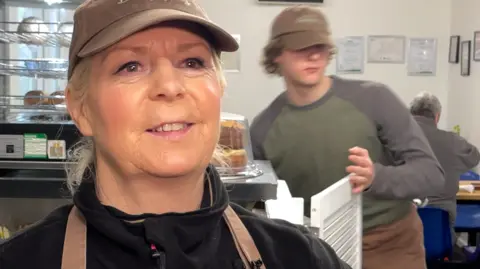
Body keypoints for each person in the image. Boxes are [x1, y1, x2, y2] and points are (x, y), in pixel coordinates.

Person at [0, 1, 353, 269]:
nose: (170, 87)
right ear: (80, 109)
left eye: (193, 63)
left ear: (220, 88)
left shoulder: (299, 257)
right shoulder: (23, 260)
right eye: (130, 66)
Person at [251, 5, 445, 269]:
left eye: (319, 47)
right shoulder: (263, 129)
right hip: (315, 250)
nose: (313, 56)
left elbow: (431, 175)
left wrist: (376, 177)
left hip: (390, 245)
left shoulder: (375, 99)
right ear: (277, 55)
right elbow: (259, 208)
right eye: (300, 48)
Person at [410, 91, 480, 244]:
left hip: (402, 236)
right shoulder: (452, 142)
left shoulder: (392, 139)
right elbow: (474, 157)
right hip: (442, 235)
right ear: (437, 117)